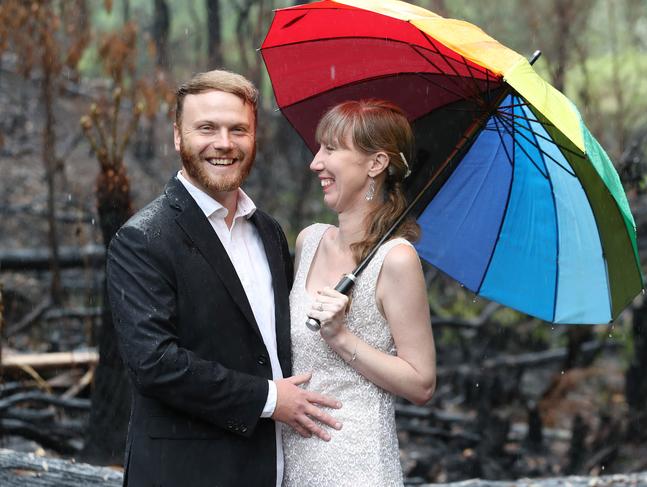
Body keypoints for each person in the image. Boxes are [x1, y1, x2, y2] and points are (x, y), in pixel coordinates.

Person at [107, 69, 342, 487]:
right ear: (178, 137)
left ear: (255, 139)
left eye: (238, 129)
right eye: (206, 128)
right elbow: (155, 364)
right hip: (185, 473)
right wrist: (270, 399)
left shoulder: (268, 232)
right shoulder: (143, 239)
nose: (224, 143)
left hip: (271, 465)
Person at [282, 99, 437, 486]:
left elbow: (422, 383)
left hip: (356, 463)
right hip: (291, 459)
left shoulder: (397, 260)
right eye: (319, 148)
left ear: (376, 164)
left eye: (331, 149)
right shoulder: (309, 241)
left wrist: (341, 337)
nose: (316, 163)